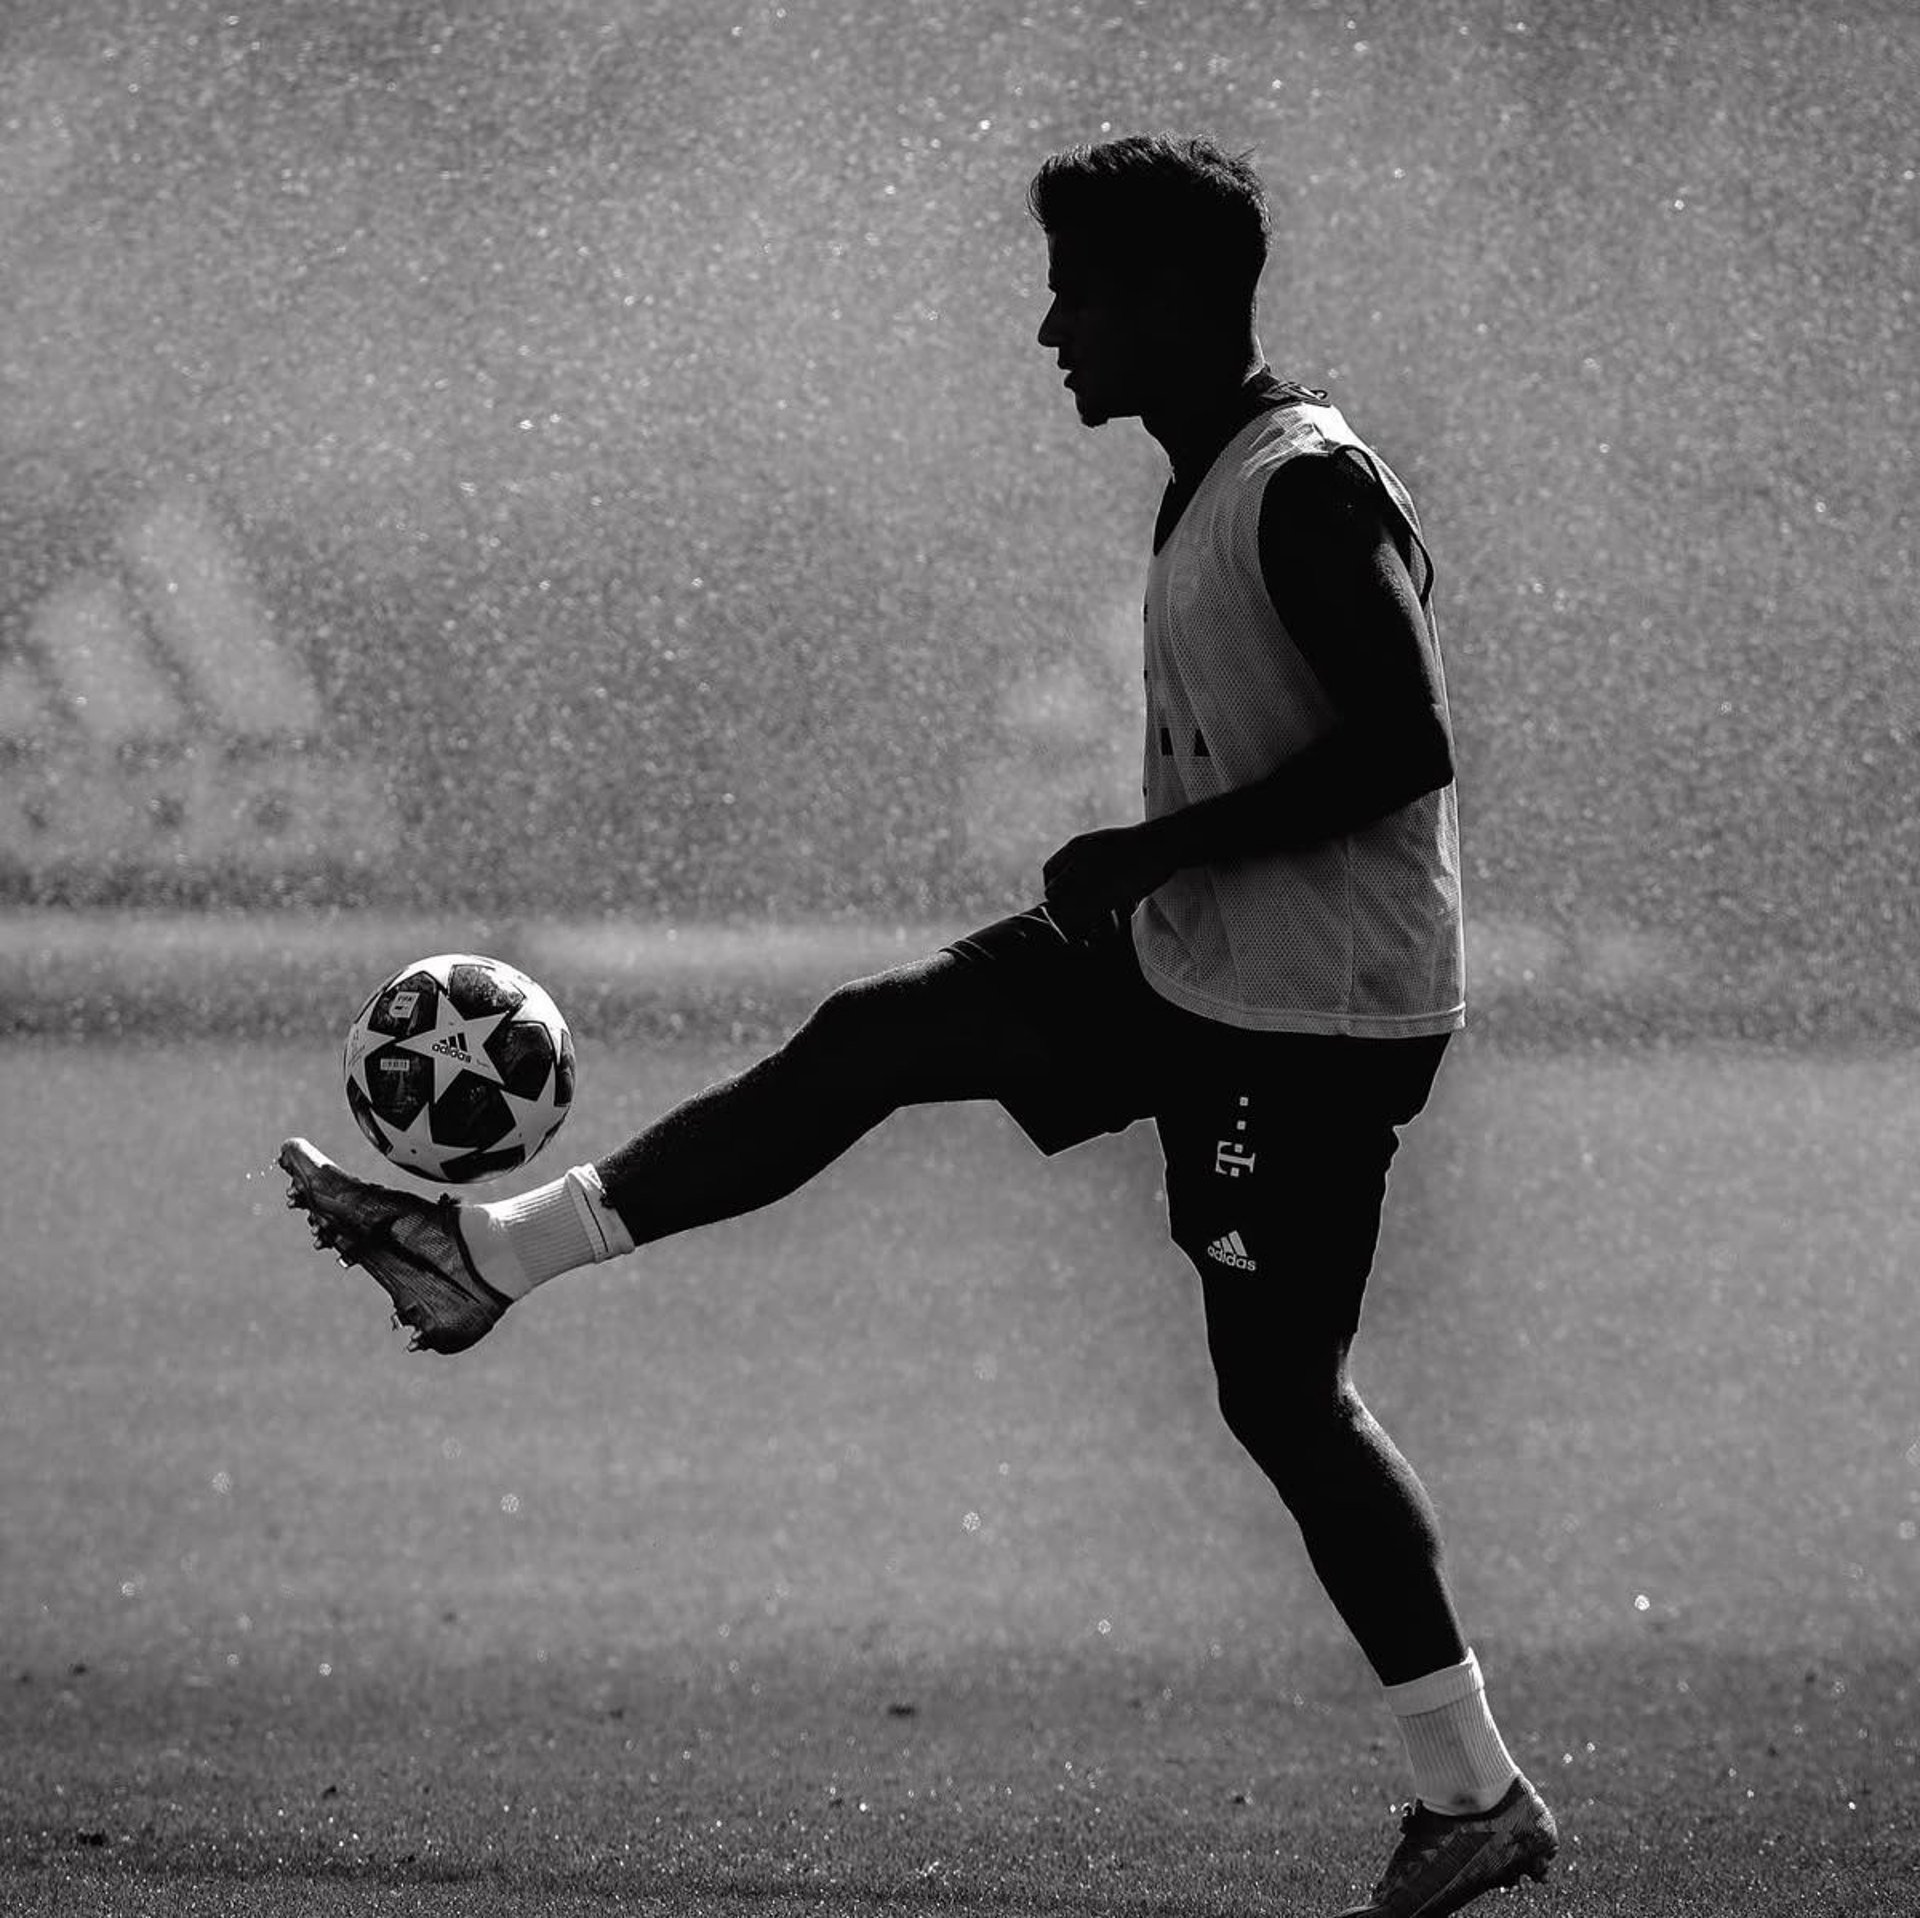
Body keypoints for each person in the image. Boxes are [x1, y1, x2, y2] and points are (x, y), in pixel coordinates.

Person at [282, 132, 1556, 1918]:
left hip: (1305, 1023)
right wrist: (1157, 875)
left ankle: (1476, 1796)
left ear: (1176, 301)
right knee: (871, 1036)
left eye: (1078, 289)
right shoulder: (1210, 470)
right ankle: (482, 1253)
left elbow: (1407, 740)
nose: (1050, 328)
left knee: (1280, 1396)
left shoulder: (1304, 485)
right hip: (1189, 960)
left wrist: (1149, 843)